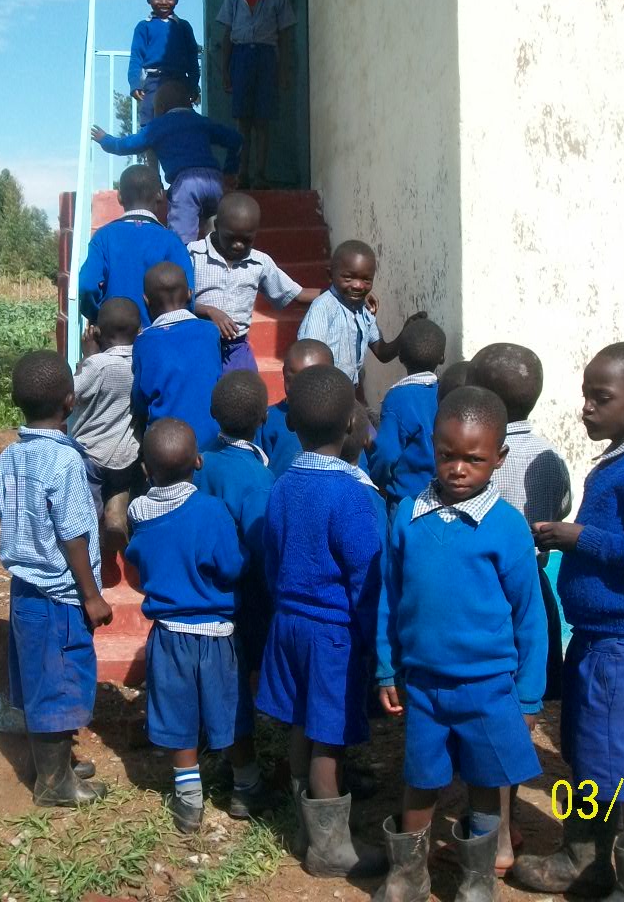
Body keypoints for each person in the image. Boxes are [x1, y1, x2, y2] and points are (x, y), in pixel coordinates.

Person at [511, 341, 624, 899]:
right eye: (586, 394)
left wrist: (580, 538)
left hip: (620, 645)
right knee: (593, 754)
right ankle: (584, 860)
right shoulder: (620, 460)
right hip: (596, 640)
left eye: (601, 397)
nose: (586, 407)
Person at [374, 386, 546, 902]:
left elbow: (529, 617)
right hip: (424, 685)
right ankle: (408, 874)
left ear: (499, 457)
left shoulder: (507, 527)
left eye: (474, 459)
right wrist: (387, 667)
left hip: (488, 687)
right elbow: (390, 597)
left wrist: (528, 696)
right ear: (433, 446)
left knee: (485, 782)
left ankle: (477, 880)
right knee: (420, 779)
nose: (458, 469)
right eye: (447, 455)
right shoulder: (408, 515)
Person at [256, 365, 386, 879]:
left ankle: (304, 828)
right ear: (353, 425)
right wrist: (374, 641)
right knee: (328, 737)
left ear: (291, 424)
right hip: (332, 634)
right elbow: (365, 578)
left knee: (301, 723)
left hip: (288, 623)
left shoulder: (283, 485)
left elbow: (271, 558)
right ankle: (330, 849)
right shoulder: (351, 496)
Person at [126, 419, 265, 834]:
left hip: (168, 635)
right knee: (231, 712)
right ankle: (246, 787)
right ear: (199, 462)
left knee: (178, 716)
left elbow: (138, 561)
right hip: (216, 635)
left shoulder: (139, 514)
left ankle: (189, 800)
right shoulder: (211, 511)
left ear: (146, 470)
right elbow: (231, 565)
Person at [465, 342, 573, 874]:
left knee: (492, 717)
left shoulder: (471, 449)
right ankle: (504, 830)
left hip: (484, 598)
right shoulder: (549, 457)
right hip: (532, 591)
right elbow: (559, 514)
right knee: (514, 715)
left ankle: (499, 836)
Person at [0, 351, 114, 808]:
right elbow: (73, 534)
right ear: (70, 401)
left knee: (40, 678)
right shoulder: (64, 462)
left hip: (25, 590)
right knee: (59, 684)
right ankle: (53, 784)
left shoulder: (8, 457)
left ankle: (58, 766)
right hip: (59, 595)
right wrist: (92, 596)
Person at [195, 372, 275, 708]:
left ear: (212, 412)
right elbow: (263, 545)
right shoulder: (258, 479)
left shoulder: (199, 458)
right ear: (264, 417)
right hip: (243, 591)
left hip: (203, 580)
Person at [92, 81, 241, 244]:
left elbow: (128, 145)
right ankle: (217, 253)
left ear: (160, 108)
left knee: (181, 238)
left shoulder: (158, 126)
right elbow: (236, 139)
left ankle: (182, 258)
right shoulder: (201, 121)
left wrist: (106, 140)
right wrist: (230, 171)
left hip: (186, 183)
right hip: (214, 180)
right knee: (215, 224)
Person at [191, 192, 318, 372]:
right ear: (217, 226)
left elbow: (298, 294)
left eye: (246, 240)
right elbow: (176, 301)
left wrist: (336, 293)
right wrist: (209, 311)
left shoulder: (259, 263)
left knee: (246, 388)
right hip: (197, 345)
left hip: (236, 350)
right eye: (230, 237)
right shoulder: (193, 254)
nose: (238, 245)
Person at [216, 0, 296, 188]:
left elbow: (284, 37)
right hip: (241, 59)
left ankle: (260, 174)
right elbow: (227, 37)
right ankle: (242, 174)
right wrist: (225, 70)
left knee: (263, 120)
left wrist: (283, 71)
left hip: (266, 59)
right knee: (243, 121)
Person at [297, 239, 425, 389]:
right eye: (348, 278)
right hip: (323, 390)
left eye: (366, 280)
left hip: (347, 391)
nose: (358, 285)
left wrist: (405, 333)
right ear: (330, 275)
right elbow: (310, 359)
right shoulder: (323, 307)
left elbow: (382, 352)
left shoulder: (364, 311)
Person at [77, 165, 193, 329]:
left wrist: (99, 316)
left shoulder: (103, 237)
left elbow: (87, 286)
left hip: (114, 336)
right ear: (160, 195)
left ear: (119, 197)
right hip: (159, 336)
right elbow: (188, 293)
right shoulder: (172, 241)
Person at [68, 298, 142, 546]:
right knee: (119, 486)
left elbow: (71, 394)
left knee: (88, 505)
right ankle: (116, 516)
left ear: (97, 333)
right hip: (127, 456)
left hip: (91, 454)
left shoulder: (97, 365)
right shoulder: (141, 363)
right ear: (139, 331)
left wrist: (87, 357)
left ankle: (93, 538)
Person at [131, 262, 222, 447]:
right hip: (211, 441)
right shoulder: (210, 331)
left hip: (166, 446)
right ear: (190, 294)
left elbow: (139, 399)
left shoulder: (144, 342)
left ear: (146, 300)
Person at [369, 318, 446, 514]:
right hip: (443, 496)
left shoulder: (398, 398)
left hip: (406, 501)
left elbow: (386, 452)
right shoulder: (444, 392)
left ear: (400, 356)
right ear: (442, 358)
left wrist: (376, 480)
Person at [128, 0, 200, 131]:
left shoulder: (183, 27)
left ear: (177, 0)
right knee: (150, 124)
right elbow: (136, 57)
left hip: (179, 82)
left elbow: (192, 58)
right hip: (153, 81)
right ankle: (150, 148)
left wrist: (194, 84)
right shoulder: (143, 27)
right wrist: (135, 84)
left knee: (182, 123)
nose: (163, 2)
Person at [256, 338, 335, 477]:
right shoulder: (266, 420)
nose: (301, 390)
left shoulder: (343, 418)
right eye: (292, 380)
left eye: (312, 383)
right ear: (284, 373)